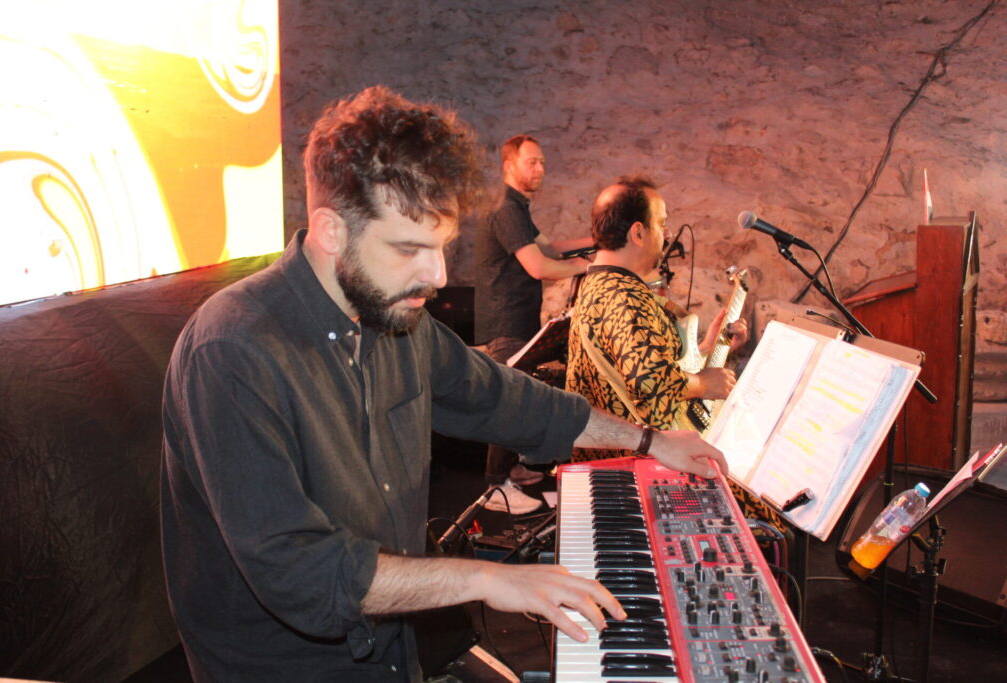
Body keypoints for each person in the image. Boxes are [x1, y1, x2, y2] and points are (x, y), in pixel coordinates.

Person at [161, 88, 727, 682]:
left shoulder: (395, 319)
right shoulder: (232, 351)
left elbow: (504, 399)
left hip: (396, 648)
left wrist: (648, 440)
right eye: (410, 249)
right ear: (331, 231)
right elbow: (301, 573)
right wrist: (487, 578)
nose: (436, 275)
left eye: (442, 248)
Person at [566, 176, 749, 461]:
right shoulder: (623, 294)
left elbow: (642, 364)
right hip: (634, 465)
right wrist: (703, 384)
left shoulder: (599, 283)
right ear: (638, 233)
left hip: (612, 458)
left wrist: (706, 349)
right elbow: (648, 381)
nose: (666, 235)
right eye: (662, 224)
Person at [473, 134, 592, 513]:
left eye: (542, 162)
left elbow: (550, 248)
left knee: (519, 395)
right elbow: (539, 266)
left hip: (517, 319)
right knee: (507, 401)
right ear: (509, 166)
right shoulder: (506, 209)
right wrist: (586, 267)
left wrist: (598, 243)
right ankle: (495, 488)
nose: (540, 169)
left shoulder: (518, 208)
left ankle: (513, 469)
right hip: (505, 319)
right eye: (532, 162)